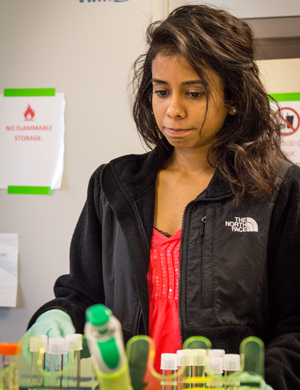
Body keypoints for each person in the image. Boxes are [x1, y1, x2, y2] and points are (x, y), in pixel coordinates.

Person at [26, 5, 300, 389]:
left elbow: (295, 325)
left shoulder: (278, 190)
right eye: (161, 91)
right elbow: (82, 294)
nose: (173, 110)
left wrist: (269, 380)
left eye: (194, 93)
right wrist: (55, 316)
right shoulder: (114, 184)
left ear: (233, 97)